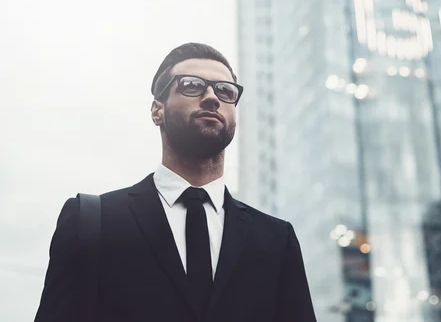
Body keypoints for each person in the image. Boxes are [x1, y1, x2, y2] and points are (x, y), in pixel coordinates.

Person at [34, 43, 316, 322]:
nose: (212, 98)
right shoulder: (91, 220)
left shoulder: (277, 239)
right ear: (157, 111)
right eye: (192, 85)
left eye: (225, 91)